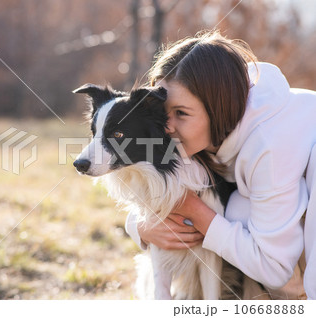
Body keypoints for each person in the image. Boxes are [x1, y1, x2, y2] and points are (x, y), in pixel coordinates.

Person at [125, 30, 316, 299]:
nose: (166, 126)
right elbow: (157, 187)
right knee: (234, 206)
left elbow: (276, 269)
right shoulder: (196, 133)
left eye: (181, 113)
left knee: (236, 209)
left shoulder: (269, 145)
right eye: (162, 112)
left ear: (218, 108)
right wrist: (140, 226)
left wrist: (200, 214)